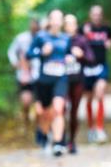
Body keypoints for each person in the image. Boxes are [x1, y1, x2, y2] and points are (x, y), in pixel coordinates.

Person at [28, 9, 84, 157]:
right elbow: (29, 53)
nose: (57, 22)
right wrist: (41, 52)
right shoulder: (41, 36)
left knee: (59, 109)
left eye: (60, 19)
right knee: (44, 113)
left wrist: (71, 56)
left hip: (61, 78)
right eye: (54, 18)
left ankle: (58, 143)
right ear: (50, 20)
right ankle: (44, 135)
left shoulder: (66, 39)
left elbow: (67, 54)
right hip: (44, 80)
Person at [63, 13, 95, 154]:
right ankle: (60, 138)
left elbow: (91, 58)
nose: (70, 26)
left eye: (72, 23)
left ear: (76, 25)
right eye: (67, 23)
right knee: (61, 109)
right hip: (61, 80)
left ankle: (72, 141)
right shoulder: (60, 40)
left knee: (74, 111)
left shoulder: (81, 40)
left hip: (77, 80)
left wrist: (81, 55)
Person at [82, 5, 111, 143]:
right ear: (90, 15)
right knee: (89, 99)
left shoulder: (107, 29)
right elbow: (76, 42)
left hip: (101, 65)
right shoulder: (83, 29)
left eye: (99, 14)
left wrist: (109, 43)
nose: (96, 16)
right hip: (87, 67)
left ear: (102, 15)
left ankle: (100, 129)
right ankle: (91, 129)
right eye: (94, 14)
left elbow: (110, 42)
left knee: (100, 94)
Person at [7, 17, 40, 140]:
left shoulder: (42, 38)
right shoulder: (21, 38)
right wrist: (15, 62)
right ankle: (26, 124)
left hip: (38, 76)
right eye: (32, 24)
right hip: (24, 76)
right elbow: (11, 51)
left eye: (36, 24)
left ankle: (39, 129)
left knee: (39, 106)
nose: (34, 26)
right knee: (26, 102)